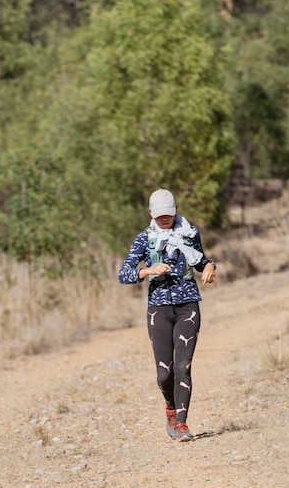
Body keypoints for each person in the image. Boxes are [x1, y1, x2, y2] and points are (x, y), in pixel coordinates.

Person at [118, 189, 217, 441]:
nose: (165, 219)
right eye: (160, 215)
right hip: (158, 309)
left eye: (169, 214)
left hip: (188, 307)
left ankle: (182, 425)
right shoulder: (144, 239)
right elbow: (124, 274)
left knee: (183, 367)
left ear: (175, 211)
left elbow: (200, 259)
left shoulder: (190, 233)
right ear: (151, 214)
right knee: (165, 373)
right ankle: (170, 409)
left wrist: (209, 266)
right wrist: (148, 270)